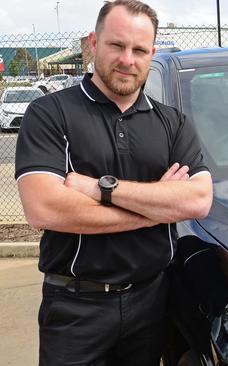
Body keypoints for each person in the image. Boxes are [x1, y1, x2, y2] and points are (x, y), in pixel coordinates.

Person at [14, 1, 213, 364]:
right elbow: (44, 208)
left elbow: (197, 200)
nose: (127, 60)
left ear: (151, 53)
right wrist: (158, 209)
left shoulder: (172, 123)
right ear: (93, 43)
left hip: (151, 302)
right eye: (116, 46)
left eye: (139, 50)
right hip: (75, 308)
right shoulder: (50, 114)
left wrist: (100, 189)